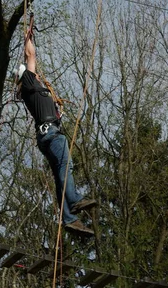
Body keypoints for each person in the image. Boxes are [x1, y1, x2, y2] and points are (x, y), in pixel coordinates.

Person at [15, 34, 98, 237]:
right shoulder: (29, 83)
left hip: (47, 136)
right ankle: (75, 200)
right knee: (66, 166)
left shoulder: (34, 91)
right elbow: (30, 55)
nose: (38, 75)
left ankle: (69, 219)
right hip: (51, 134)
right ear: (26, 75)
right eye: (34, 73)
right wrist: (28, 37)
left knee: (61, 173)